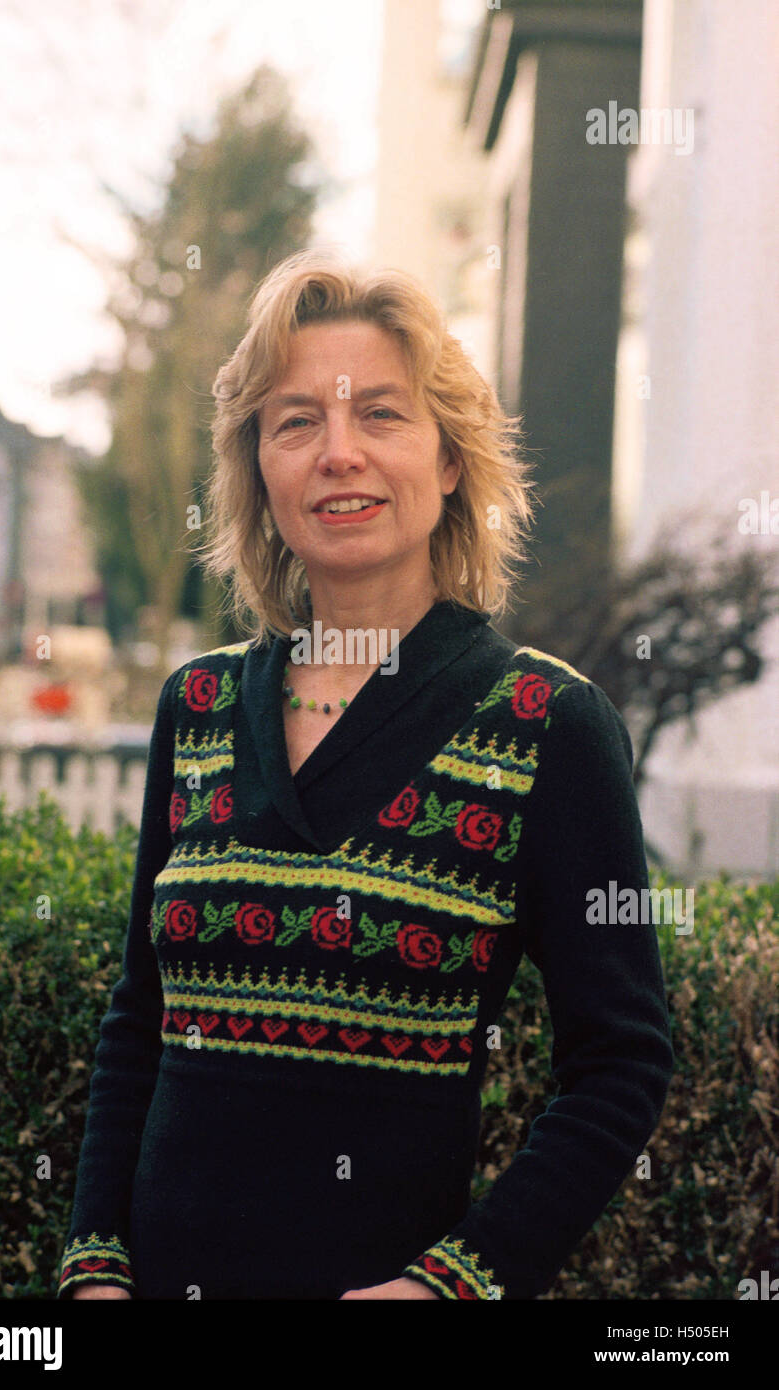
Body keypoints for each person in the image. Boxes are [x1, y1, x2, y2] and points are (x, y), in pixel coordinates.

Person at [57, 250, 674, 1300]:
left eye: (379, 414)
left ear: (447, 461)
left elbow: (621, 1060)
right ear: (259, 469)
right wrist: (94, 1263)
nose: (338, 453)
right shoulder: (197, 708)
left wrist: (456, 1283)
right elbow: (138, 1017)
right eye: (296, 422)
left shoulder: (546, 725)